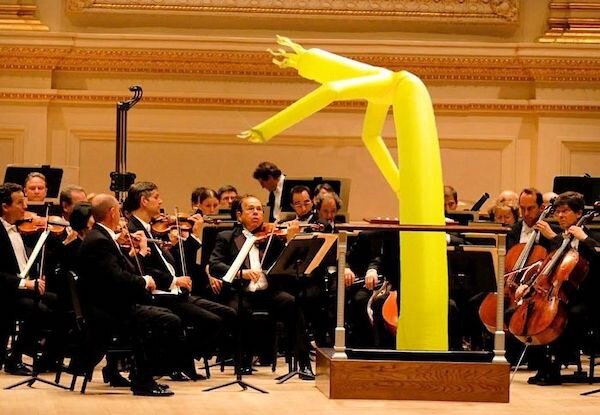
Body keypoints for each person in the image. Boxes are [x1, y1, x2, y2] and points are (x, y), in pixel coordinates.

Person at [123, 182, 236, 379]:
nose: (161, 201)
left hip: (175, 292)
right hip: (160, 295)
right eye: (156, 197)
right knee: (212, 321)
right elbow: (143, 269)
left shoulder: (149, 228)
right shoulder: (133, 229)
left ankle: (181, 359)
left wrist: (183, 241)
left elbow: (169, 261)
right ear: (143, 201)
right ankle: (177, 362)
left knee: (228, 314)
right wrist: (174, 280)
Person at [77, 193, 183, 396]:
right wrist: (144, 281)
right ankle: (144, 380)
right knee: (168, 321)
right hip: (108, 312)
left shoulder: (101, 236)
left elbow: (116, 272)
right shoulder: (99, 241)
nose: (121, 216)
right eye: (118, 210)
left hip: (111, 306)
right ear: (112, 212)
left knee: (166, 316)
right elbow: (116, 278)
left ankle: (144, 375)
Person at [209, 195, 314, 379]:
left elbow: (289, 262)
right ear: (239, 215)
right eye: (251, 209)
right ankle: (243, 361)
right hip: (241, 292)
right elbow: (215, 264)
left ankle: (304, 363)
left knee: (292, 303)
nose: (256, 213)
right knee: (238, 310)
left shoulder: (272, 237)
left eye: (259, 209)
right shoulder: (226, 237)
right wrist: (241, 273)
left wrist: (290, 239)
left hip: (268, 292)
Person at [515, 191, 599, 386]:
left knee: (571, 315)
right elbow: (545, 267)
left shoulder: (591, 237)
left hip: (588, 298)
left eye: (565, 211)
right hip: (562, 293)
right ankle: (543, 364)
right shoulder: (560, 239)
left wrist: (585, 239)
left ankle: (555, 365)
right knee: (536, 312)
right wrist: (528, 285)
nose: (560, 216)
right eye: (558, 212)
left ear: (579, 213)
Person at [0, 183, 54, 375]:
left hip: (20, 287)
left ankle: (48, 358)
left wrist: (34, 279)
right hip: (5, 291)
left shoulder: (17, 229)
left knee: (60, 302)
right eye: (20, 202)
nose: (25, 207)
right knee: (38, 309)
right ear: (5, 207)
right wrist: (26, 283)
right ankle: (14, 358)